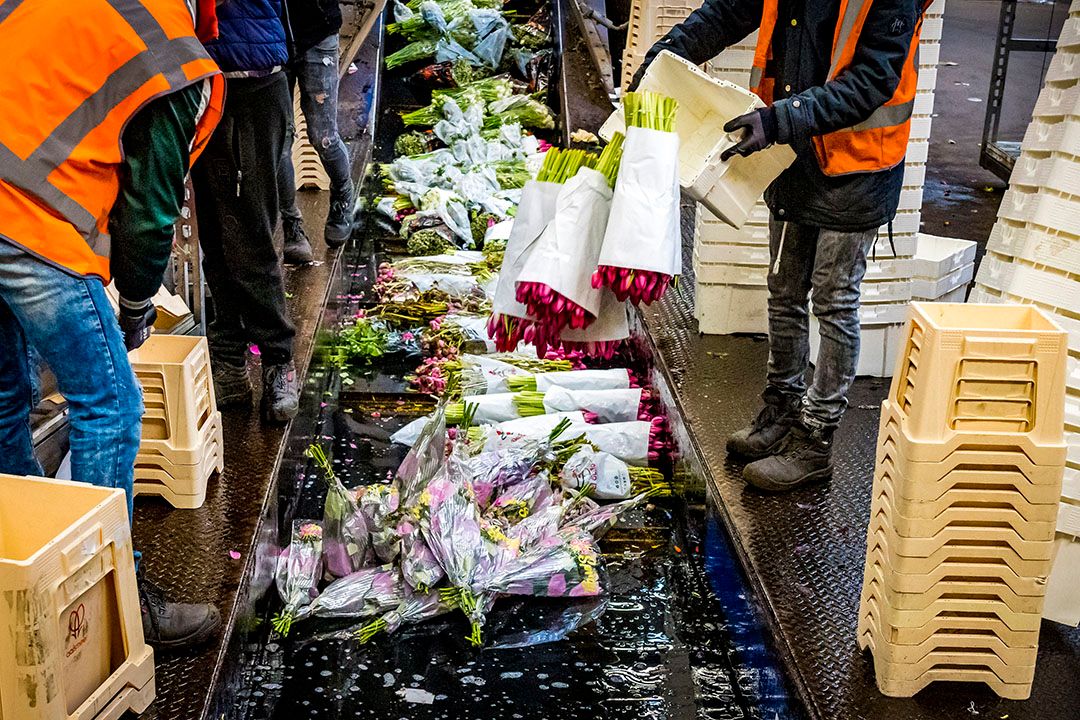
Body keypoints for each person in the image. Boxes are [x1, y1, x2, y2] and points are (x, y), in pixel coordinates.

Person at [0, 0, 226, 648]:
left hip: (12, 204)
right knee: (109, 403)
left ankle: (23, 566)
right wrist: (133, 310)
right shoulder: (172, 58)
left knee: (7, 396)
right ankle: (112, 604)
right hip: (28, 221)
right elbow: (149, 215)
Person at [633, 0, 928, 492]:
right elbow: (728, 12)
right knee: (785, 292)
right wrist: (665, 57)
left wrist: (778, 120)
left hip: (856, 164)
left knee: (834, 302)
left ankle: (815, 441)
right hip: (797, 152)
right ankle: (781, 410)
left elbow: (873, 79)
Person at [193, 0, 302, 422]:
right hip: (201, 85)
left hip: (250, 84)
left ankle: (278, 360)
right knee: (215, 239)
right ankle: (229, 362)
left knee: (250, 233)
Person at [276, 0, 355, 264]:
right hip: (272, 38)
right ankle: (292, 226)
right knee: (280, 142)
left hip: (319, 32)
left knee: (324, 137)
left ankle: (343, 194)